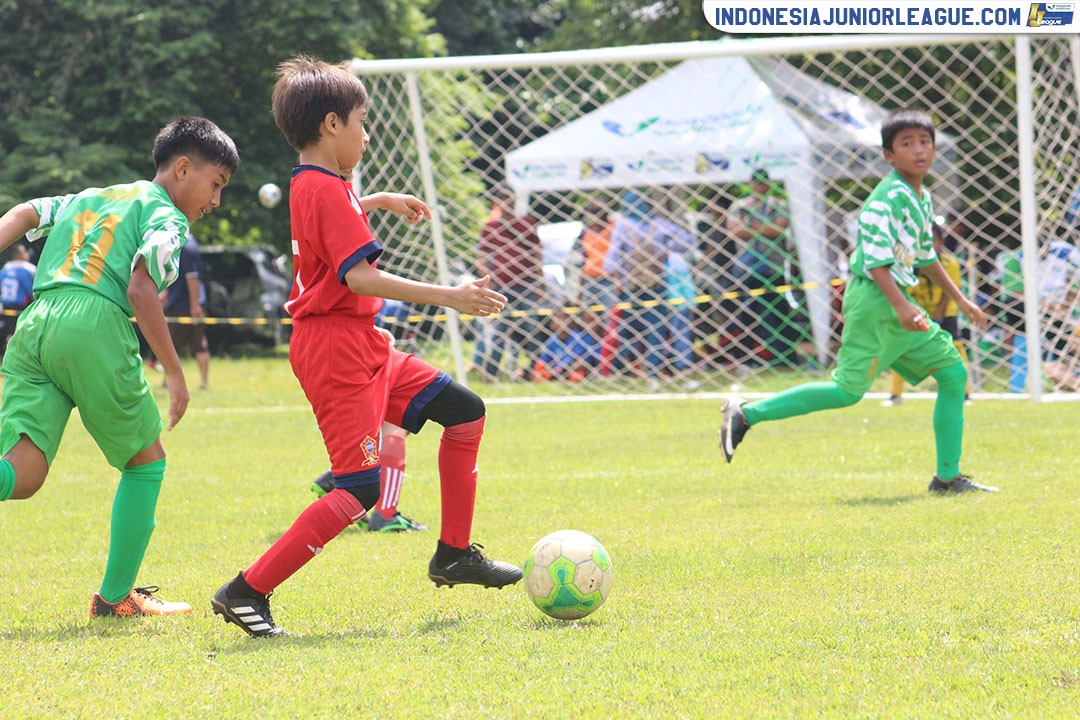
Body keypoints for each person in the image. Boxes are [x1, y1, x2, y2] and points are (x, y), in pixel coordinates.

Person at [211, 57, 521, 638]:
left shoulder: (319, 183)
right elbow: (359, 278)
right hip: (337, 350)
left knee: (465, 412)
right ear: (331, 124)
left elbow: (335, 219)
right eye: (361, 121)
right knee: (359, 488)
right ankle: (246, 591)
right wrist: (450, 296)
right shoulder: (325, 190)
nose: (367, 133)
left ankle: (455, 554)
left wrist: (376, 200)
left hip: (359, 343)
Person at [0, 116, 239, 617]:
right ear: (182, 168)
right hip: (93, 324)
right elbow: (140, 289)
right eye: (215, 184)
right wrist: (175, 371)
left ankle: (118, 598)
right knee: (145, 463)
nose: (216, 200)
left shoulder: (91, 196)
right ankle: (115, 599)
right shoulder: (167, 217)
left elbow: (25, 212)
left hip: (35, 322)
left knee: (23, 474)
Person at [719, 108, 996, 494]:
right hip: (875, 301)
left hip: (897, 301)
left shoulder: (921, 198)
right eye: (907, 143)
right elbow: (875, 261)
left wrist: (961, 300)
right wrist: (902, 306)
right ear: (889, 155)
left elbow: (925, 257)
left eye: (924, 141)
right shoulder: (885, 199)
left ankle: (947, 478)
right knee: (846, 392)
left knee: (953, 372)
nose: (919, 150)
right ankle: (747, 414)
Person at [882, 221, 972, 406]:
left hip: (945, 310)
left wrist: (938, 314)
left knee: (955, 347)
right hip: (916, 309)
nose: (927, 245)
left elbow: (950, 290)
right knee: (900, 347)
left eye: (932, 241)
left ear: (941, 242)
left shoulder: (950, 263)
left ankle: (965, 394)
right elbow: (906, 292)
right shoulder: (908, 263)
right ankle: (895, 395)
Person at [475, 187, 545, 382]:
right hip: (502, 287)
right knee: (500, 330)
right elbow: (481, 256)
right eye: (502, 199)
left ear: (515, 199)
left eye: (509, 198)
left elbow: (536, 253)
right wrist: (488, 280)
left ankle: (537, 369)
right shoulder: (490, 227)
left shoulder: (527, 223)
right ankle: (491, 373)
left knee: (531, 327)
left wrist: (540, 282)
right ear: (497, 203)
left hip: (527, 284)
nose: (507, 202)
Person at [726, 168, 794, 365]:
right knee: (746, 314)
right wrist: (764, 228)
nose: (760, 187)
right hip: (746, 268)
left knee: (777, 313)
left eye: (764, 183)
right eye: (757, 183)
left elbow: (779, 228)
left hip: (773, 267)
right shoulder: (740, 205)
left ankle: (783, 356)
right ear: (751, 184)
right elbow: (735, 230)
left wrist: (752, 227)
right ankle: (746, 358)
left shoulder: (778, 204)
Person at [163, 231, 210, 390]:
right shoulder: (187, 244)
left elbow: (192, 277)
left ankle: (202, 382)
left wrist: (194, 305)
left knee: (171, 344)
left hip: (183, 305)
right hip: (183, 302)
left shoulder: (186, 247)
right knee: (196, 342)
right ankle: (203, 382)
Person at [533, 307, 601, 381]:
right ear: (551, 325)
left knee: (578, 371)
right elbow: (544, 360)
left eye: (563, 318)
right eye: (557, 319)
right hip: (557, 369)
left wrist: (565, 368)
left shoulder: (579, 337)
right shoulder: (552, 340)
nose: (561, 322)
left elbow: (582, 359)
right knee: (540, 368)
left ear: (570, 321)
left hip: (573, 367)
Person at [0, 243, 36, 349]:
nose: (27, 254)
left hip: (4, 308)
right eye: (24, 252)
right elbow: (30, 292)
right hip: (19, 309)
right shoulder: (26, 270)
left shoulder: (4, 270)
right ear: (17, 255)